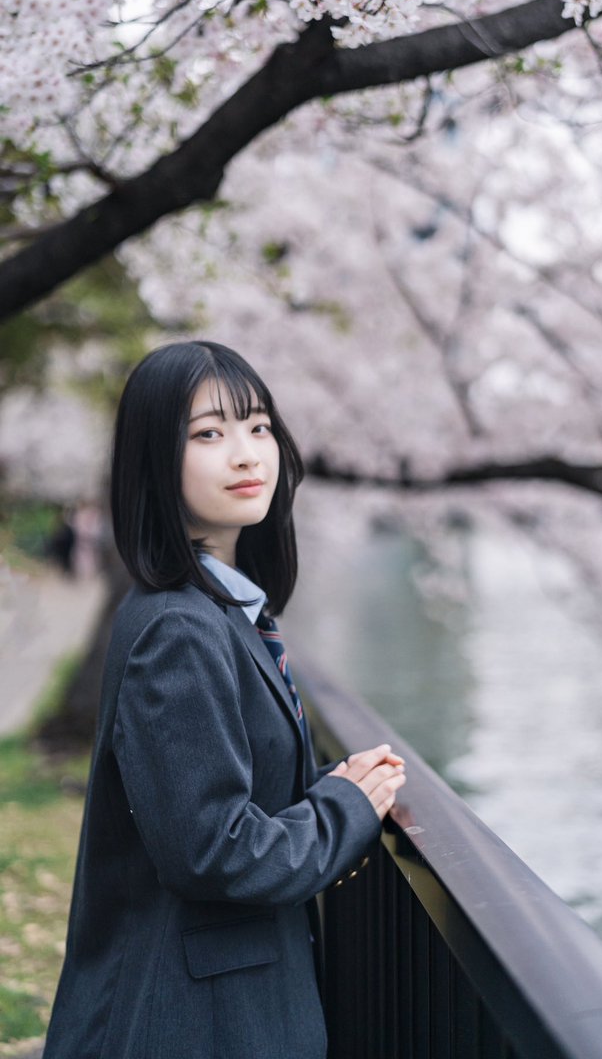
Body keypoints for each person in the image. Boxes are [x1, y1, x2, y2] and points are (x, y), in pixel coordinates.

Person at [43, 340, 406, 1059]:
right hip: (195, 1024)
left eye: (259, 427)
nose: (246, 454)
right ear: (155, 460)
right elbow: (214, 851)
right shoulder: (178, 629)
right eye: (209, 433)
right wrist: (345, 809)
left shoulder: (218, 614)